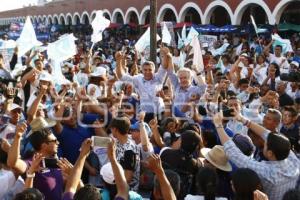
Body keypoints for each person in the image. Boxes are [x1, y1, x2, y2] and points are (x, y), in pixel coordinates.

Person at [213, 110, 300, 200]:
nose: (264, 141)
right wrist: (243, 120)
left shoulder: (268, 172)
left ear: (270, 153)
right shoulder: (294, 160)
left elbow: (235, 154)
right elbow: (267, 134)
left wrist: (218, 125)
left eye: (266, 144)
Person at [7, 123, 64, 200]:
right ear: (44, 145)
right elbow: (12, 163)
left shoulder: (56, 163)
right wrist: (17, 137)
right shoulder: (30, 163)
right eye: (55, 141)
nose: (58, 143)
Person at [115, 47, 170, 122]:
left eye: (150, 70)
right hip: (145, 114)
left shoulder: (158, 77)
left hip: (159, 112)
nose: (147, 72)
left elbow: (164, 66)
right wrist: (118, 60)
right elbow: (121, 76)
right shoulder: (138, 79)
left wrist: (165, 55)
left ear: (154, 71)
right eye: (145, 70)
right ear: (142, 70)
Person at [110, 116, 140, 191]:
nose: (111, 130)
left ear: (115, 129)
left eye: (112, 128)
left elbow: (128, 178)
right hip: (118, 189)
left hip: (127, 193)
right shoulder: (117, 143)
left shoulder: (130, 149)